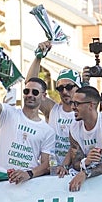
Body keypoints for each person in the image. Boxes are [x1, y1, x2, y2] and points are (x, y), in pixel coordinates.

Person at [0, 58, 54, 184]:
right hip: (1, 180)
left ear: (44, 96)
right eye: (26, 91)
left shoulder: (48, 131)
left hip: (28, 184)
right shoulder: (9, 112)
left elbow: (46, 164)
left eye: (35, 92)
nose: (30, 95)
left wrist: (28, 174)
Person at [25, 41, 78, 170]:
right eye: (60, 88)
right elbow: (31, 85)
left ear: (78, 88)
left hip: (73, 171)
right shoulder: (52, 109)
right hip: (50, 170)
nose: (64, 91)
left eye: (69, 87)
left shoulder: (83, 113)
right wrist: (38, 58)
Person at [63, 86, 102, 192]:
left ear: (91, 105)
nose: (73, 107)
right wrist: (86, 162)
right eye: (72, 103)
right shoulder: (74, 127)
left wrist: (86, 173)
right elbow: (76, 162)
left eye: (77, 104)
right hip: (91, 181)